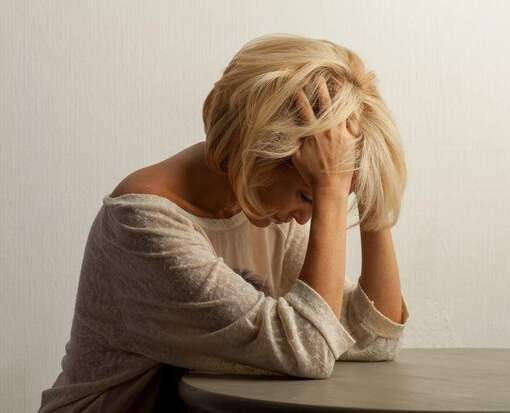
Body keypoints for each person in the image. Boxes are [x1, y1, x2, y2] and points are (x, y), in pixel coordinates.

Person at [38, 33, 410, 412]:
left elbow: (371, 340)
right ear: (262, 155)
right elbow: (309, 349)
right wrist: (329, 186)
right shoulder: (141, 223)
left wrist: (372, 192)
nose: (307, 218)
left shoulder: (264, 211)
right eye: (306, 196)